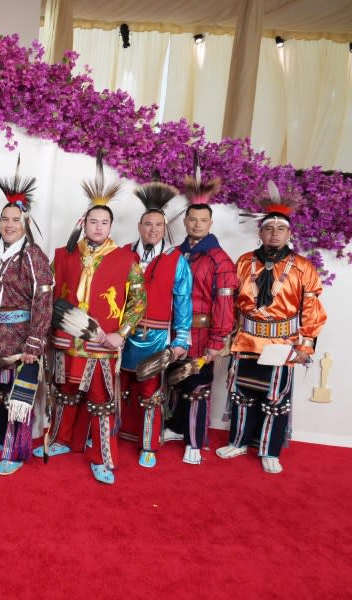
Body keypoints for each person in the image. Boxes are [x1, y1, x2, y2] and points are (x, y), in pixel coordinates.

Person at [33, 151, 146, 485]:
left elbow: (138, 303)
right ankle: (61, 439)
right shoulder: (64, 254)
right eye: (93, 221)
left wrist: (121, 334)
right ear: (84, 223)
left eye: (105, 223)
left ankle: (101, 457)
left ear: (111, 226)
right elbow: (50, 296)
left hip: (102, 341)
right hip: (67, 340)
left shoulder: (126, 259)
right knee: (64, 392)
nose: (99, 227)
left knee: (101, 401)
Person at [216, 181, 327, 474]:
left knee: (275, 399)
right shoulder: (243, 262)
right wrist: (225, 336)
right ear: (260, 232)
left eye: (280, 229)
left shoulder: (303, 267)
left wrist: (305, 347)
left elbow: (312, 310)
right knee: (241, 394)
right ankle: (239, 441)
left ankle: (269, 449)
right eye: (269, 228)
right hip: (245, 339)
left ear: (290, 233)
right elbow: (230, 305)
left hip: (282, 344)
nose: (274, 233)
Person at [0, 171, 52, 475]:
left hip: (18, 340)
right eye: (5, 219)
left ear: (25, 223)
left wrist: (34, 342)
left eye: (15, 220)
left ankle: (13, 453)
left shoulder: (33, 256)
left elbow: (44, 302)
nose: (9, 224)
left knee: (17, 398)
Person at [162, 159, 238, 465]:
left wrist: (218, 340)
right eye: (192, 219)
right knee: (176, 381)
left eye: (202, 221)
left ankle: (195, 440)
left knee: (198, 385)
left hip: (203, 332)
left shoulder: (221, 260)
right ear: (185, 221)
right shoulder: (174, 254)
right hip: (173, 332)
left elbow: (225, 305)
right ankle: (176, 428)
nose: (196, 224)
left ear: (210, 223)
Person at [118, 181, 192, 468]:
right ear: (139, 226)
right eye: (148, 224)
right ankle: (112, 434)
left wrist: (180, 340)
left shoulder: (177, 260)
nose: (152, 230)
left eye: (158, 225)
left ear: (165, 228)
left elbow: (183, 304)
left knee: (151, 393)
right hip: (123, 336)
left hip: (157, 337)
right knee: (117, 387)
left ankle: (148, 444)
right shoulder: (123, 254)